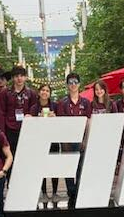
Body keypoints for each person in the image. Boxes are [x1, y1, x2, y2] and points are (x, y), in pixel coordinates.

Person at [57, 73, 92, 209]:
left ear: (79, 84)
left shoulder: (86, 103)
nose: (73, 84)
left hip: (81, 139)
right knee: (68, 166)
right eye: (70, 82)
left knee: (80, 166)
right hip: (67, 140)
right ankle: (71, 192)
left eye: (75, 82)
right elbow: (60, 124)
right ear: (67, 85)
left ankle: (79, 190)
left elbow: (88, 122)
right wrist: (63, 141)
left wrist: (86, 139)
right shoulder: (62, 103)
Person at [29, 84, 61, 208]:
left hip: (53, 140)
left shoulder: (55, 106)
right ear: (39, 92)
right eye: (43, 90)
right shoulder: (33, 108)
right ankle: (43, 192)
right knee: (41, 168)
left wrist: (55, 118)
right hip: (39, 142)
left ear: (50, 93)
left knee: (54, 167)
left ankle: (54, 192)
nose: (45, 92)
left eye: (47, 91)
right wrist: (38, 118)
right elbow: (31, 125)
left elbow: (61, 123)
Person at [1, 66, 37, 156]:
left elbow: (33, 110)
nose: (19, 78)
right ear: (13, 78)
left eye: (22, 76)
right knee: (11, 153)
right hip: (10, 128)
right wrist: (2, 131)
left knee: (26, 153)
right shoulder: (5, 93)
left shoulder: (31, 93)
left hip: (26, 128)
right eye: (16, 76)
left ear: (25, 77)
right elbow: (1, 112)